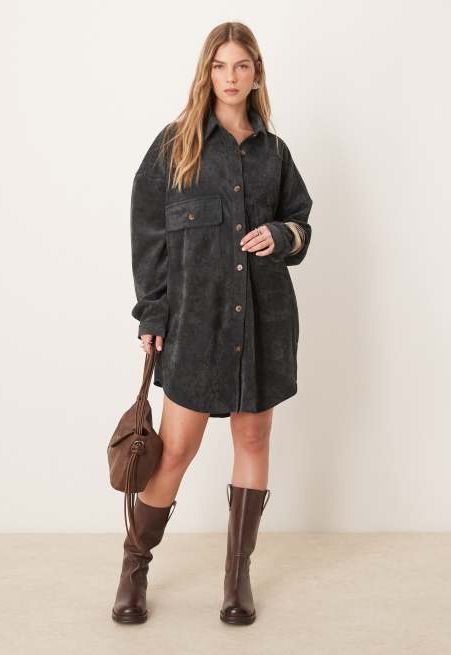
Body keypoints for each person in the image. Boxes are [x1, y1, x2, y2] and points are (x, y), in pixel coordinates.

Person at [112, 21, 313, 626]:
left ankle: (236, 577)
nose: (231, 76)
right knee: (175, 450)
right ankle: (134, 567)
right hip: (195, 324)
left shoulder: (274, 153)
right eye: (221, 65)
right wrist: (152, 312)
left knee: (252, 441)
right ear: (207, 72)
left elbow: (301, 224)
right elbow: (149, 236)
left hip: (264, 320)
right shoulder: (175, 146)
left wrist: (281, 234)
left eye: (242, 65)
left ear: (256, 74)